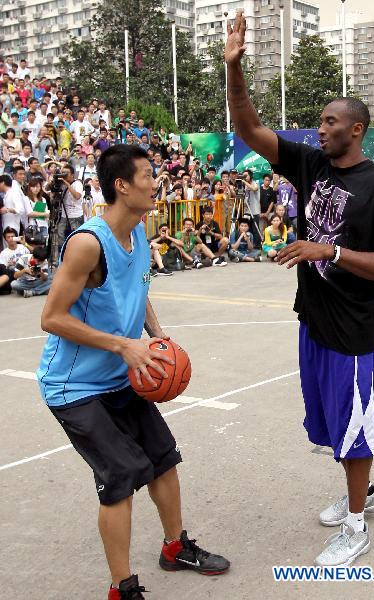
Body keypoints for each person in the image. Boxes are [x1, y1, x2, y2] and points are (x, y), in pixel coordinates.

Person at [226, 10, 374, 567]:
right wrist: (234, 68)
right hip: (315, 321)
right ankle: (366, 492)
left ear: (356, 129)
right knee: (333, 427)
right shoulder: (309, 164)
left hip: (354, 331)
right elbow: (246, 129)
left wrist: (328, 250)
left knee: (355, 429)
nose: (319, 128)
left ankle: (356, 526)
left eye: (330, 121)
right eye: (319, 121)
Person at [36, 145, 229, 598]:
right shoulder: (88, 243)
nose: (155, 182)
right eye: (147, 175)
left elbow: (136, 289)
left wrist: (158, 338)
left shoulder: (138, 233)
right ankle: (122, 587)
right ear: (122, 185)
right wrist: (125, 345)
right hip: (74, 386)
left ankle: (175, 547)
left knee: (163, 456)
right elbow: (52, 317)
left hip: (120, 376)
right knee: (121, 474)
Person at [0, 226, 28, 295]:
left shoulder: (23, 247)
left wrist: (25, 243)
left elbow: (37, 254)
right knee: (10, 269)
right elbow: (4, 269)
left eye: (12, 236)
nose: (10, 239)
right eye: (8, 237)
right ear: (5, 239)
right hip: (12, 274)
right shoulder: (3, 253)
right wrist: (9, 264)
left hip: (25, 272)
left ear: (16, 237)